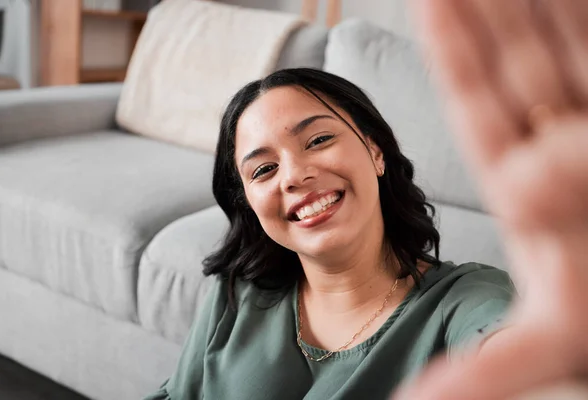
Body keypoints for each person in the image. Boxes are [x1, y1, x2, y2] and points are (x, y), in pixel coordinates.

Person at [146, 1, 588, 399]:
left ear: (375, 151)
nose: (295, 175)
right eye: (263, 169)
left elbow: (517, 352)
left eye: (318, 139)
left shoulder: (466, 301)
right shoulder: (238, 290)